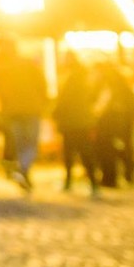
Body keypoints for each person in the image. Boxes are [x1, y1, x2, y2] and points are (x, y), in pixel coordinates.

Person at [0, 36, 50, 193]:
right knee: (29, 143)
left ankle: (21, 171)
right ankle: (23, 171)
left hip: (15, 111)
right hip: (30, 109)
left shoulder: (1, 67)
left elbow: (0, 91)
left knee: (21, 143)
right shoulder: (25, 63)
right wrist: (43, 102)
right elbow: (42, 84)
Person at [54, 53, 100, 195]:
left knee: (71, 152)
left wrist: (55, 113)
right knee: (85, 152)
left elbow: (64, 100)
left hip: (73, 121)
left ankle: (70, 182)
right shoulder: (85, 79)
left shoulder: (72, 79)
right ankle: (93, 183)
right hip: (83, 120)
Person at [95, 62, 134, 188]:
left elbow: (102, 106)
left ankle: (110, 178)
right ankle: (129, 175)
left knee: (109, 149)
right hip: (123, 122)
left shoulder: (108, 86)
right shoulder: (121, 85)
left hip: (111, 123)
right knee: (124, 148)